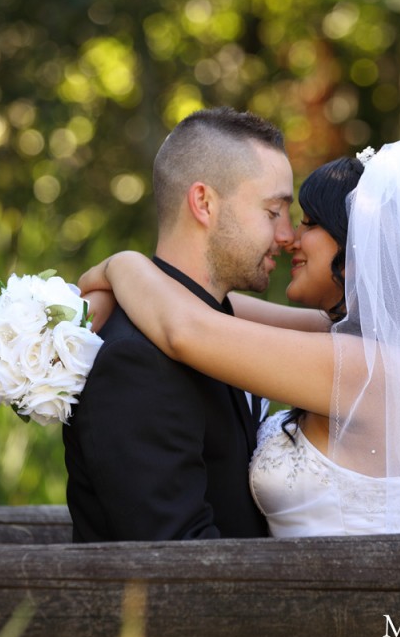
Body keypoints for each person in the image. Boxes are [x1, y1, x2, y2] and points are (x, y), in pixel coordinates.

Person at [79, 139, 400, 542]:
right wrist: (115, 293)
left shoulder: (370, 370)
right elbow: (212, 307)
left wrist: (119, 265)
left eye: (310, 223)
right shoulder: (365, 348)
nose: (291, 238)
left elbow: (187, 329)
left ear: (360, 248)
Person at [62, 107, 303, 542]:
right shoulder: (135, 360)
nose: (287, 236)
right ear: (204, 203)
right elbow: (177, 562)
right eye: (273, 212)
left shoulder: (218, 327)